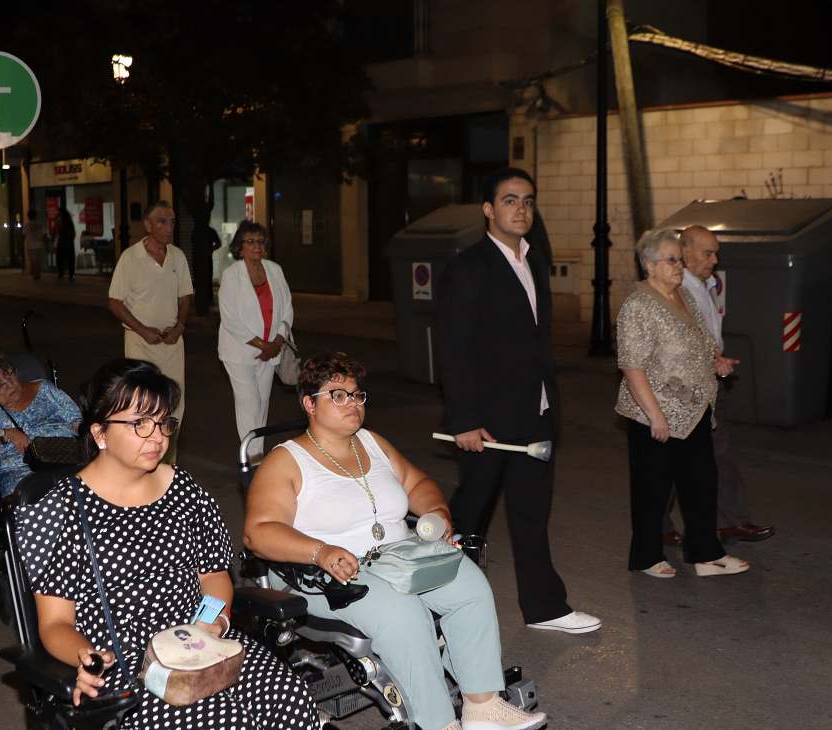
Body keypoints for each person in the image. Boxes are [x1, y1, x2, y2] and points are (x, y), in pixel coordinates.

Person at [244, 352, 547, 730]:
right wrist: (319, 551)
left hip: (395, 556)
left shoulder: (371, 443)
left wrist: (437, 512)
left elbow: (418, 484)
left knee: (470, 586)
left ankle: (482, 706)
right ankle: (438, 722)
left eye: (357, 395)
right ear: (309, 403)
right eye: (338, 395)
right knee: (404, 615)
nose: (352, 404)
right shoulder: (286, 461)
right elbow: (258, 531)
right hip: (326, 571)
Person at [15, 359, 317, 729]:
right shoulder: (62, 510)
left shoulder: (184, 489)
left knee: (292, 701)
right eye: (139, 423)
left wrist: (212, 623)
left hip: (200, 641)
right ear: (100, 434)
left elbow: (213, 577)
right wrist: (86, 658)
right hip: (132, 664)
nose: (157, 436)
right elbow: (55, 623)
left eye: (162, 423)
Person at [435, 167, 600, 635]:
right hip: (486, 420)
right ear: (489, 210)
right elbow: (453, 347)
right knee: (470, 517)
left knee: (531, 514)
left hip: (536, 412)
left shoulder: (534, 262)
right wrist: (463, 419)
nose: (521, 209)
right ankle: (440, 607)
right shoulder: (469, 266)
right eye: (510, 200)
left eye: (527, 200)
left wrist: (549, 402)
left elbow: (535, 341)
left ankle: (546, 607)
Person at [615, 228, 749, 579]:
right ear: (649, 265)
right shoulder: (638, 304)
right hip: (655, 414)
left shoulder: (683, 297)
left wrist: (717, 361)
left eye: (680, 258)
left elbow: (702, 341)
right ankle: (646, 557)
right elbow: (632, 365)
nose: (680, 265)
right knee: (652, 489)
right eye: (672, 259)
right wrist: (655, 416)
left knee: (701, 484)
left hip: (694, 410)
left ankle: (705, 555)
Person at [675, 225, 774, 544]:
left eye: (716, 252)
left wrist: (717, 360)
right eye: (707, 253)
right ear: (686, 253)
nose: (715, 259)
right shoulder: (679, 290)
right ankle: (658, 527)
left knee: (718, 453)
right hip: (687, 386)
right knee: (675, 460)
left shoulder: (706, 285)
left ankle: (729, 520)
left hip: (711, 381)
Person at [108, 201, 192, 456]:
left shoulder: (177, 256)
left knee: (174, 404)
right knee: (143, 403)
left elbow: (185, 296)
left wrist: (179, 326)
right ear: (147, 225)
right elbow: (115, 302)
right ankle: (142, 459)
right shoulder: (130, 258)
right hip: (140, 343)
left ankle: (168, 463)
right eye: (162, 221)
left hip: (171, 344)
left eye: (172, 222)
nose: (169, 227)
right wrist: (143, 329)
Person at [218, 221, 293, 459]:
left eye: (260, 241)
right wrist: (263, 345)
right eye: (250, 241)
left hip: (271, 350)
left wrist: (277, 342)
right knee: (248, 403)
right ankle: (250, 458)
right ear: (240, 247)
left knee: (262, 404)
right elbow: (230, 319)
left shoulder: (275, 270)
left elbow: (288, 309)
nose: (257, 246)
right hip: (240, 352)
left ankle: (257, 455)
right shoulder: (232, 275)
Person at [0, 348, 81, 497]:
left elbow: (77, 421)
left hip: (65, 459)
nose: (9, 384)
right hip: (20, 474)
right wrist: (7, 433)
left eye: (8, 374)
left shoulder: (44, 389)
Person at [23, 209, 48, 280]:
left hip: (30, 245)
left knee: (32, 261)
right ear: (36, 216)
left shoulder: (26, 225)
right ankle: (38, 274)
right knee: (38, 260)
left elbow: (24, 235)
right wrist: (46, 243)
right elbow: (44, 234)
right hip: (39, 244)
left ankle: (35, 274)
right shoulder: (40, 224)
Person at [56, 208, 76, 283]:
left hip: (62, 242)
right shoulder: (70, 221)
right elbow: (74, 233)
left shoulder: (59, 221)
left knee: (60, 258)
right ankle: (71, 275)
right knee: (70, 259)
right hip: (69, 242)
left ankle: (61, 273)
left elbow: (57, 230)